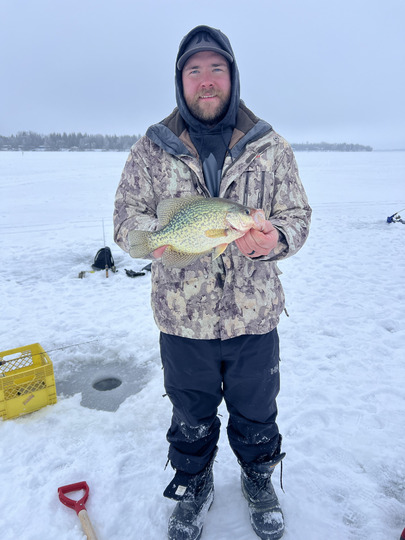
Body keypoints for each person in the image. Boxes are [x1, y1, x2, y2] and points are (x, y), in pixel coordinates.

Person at [114, 25, 311, 540]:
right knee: (189, 414)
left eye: (215, 69)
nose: (205, 81)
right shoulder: (150, 150)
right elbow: (125, 218)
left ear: (232, 77)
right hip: (182, 320)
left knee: (257, 409)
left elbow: (297, 216)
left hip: (254, 315)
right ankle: (194, 481)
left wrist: (274, 241)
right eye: (194, 70)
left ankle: (259, 476)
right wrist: (145, 237)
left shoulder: (269, 147)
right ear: (180, 81)